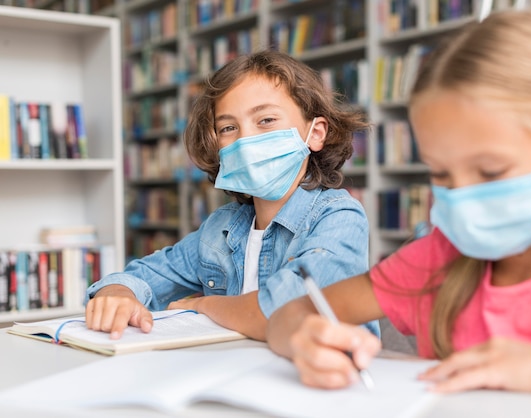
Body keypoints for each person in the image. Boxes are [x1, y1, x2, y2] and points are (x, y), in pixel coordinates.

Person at [266, 8, 531, 407]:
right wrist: (303, 337)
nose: (462, 196)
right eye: (441, 174)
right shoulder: (440, 258)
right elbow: (290, 314)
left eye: (490, 171)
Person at [84, 49, 379, 341]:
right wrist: (116, 294)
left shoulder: (339, 216)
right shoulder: (221, 228)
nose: (246, 139)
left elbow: (285, 311)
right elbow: (145, 275)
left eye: (266, 120)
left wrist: (202, 304)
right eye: (228, 127)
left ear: (315, 133)